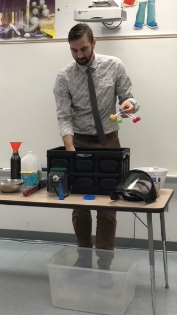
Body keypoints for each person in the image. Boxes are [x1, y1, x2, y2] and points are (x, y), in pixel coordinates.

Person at [53, 23, 140, 269]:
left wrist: (130, 105)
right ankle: (83, 255)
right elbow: (63, 116)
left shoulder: (114, 65)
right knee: (79, 204)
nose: (79, 55)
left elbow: (129, 97)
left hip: (110, 141)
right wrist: (70, 148)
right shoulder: (64, 77)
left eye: (83, 49)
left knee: (108, 204)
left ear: (94, 43)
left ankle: (104, 261)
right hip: (78, 142)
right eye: (73, 50)